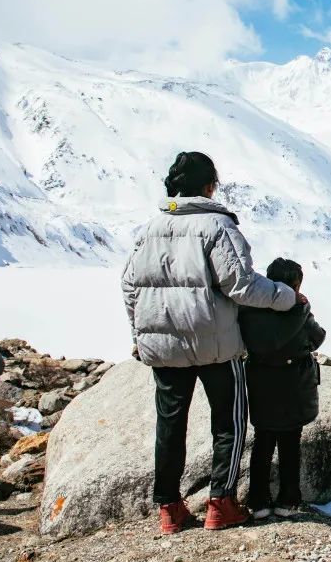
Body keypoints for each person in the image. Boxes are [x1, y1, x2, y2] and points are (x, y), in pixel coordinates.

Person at [121, 152, 299, 535]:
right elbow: (241, 283)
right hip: (215, 342)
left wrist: (140, 335)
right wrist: (287, 296)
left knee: (170, 425)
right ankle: (222, 502)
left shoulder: (148, 229)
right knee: (229, 422)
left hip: (164, 344)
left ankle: (169, 508)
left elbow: (129, 285)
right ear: (208, 187)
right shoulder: (217, 225)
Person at [239, 257, 326, 519]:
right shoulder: (300, 311)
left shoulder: (249, 309)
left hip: (261, 383)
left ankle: (258, 500)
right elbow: (317, 337)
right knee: (290, 442)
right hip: (293, 385)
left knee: (262, 441)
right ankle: (288, 499)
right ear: (296, 284)